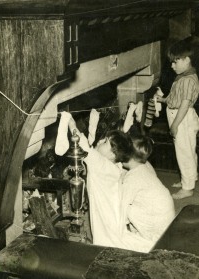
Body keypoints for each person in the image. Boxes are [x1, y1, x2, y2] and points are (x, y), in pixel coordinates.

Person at [79, 130, 175, 253]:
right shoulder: (144, 165)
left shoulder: (133, 178)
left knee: (120, 206)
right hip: (167, 223)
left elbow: (121, 210)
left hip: (157, 234)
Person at [155, 36, 199, 199]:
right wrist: (164, 100)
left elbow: (185, 104)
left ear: (187, 59)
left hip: (182, 118)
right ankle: (189, 178)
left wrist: (175, 124)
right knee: (188, 150)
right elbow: (177, 98)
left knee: (184, 152)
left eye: (175, 61)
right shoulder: (183, 77)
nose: (172, 66)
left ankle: (188, 188)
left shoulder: (187, 80)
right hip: (182, 116)